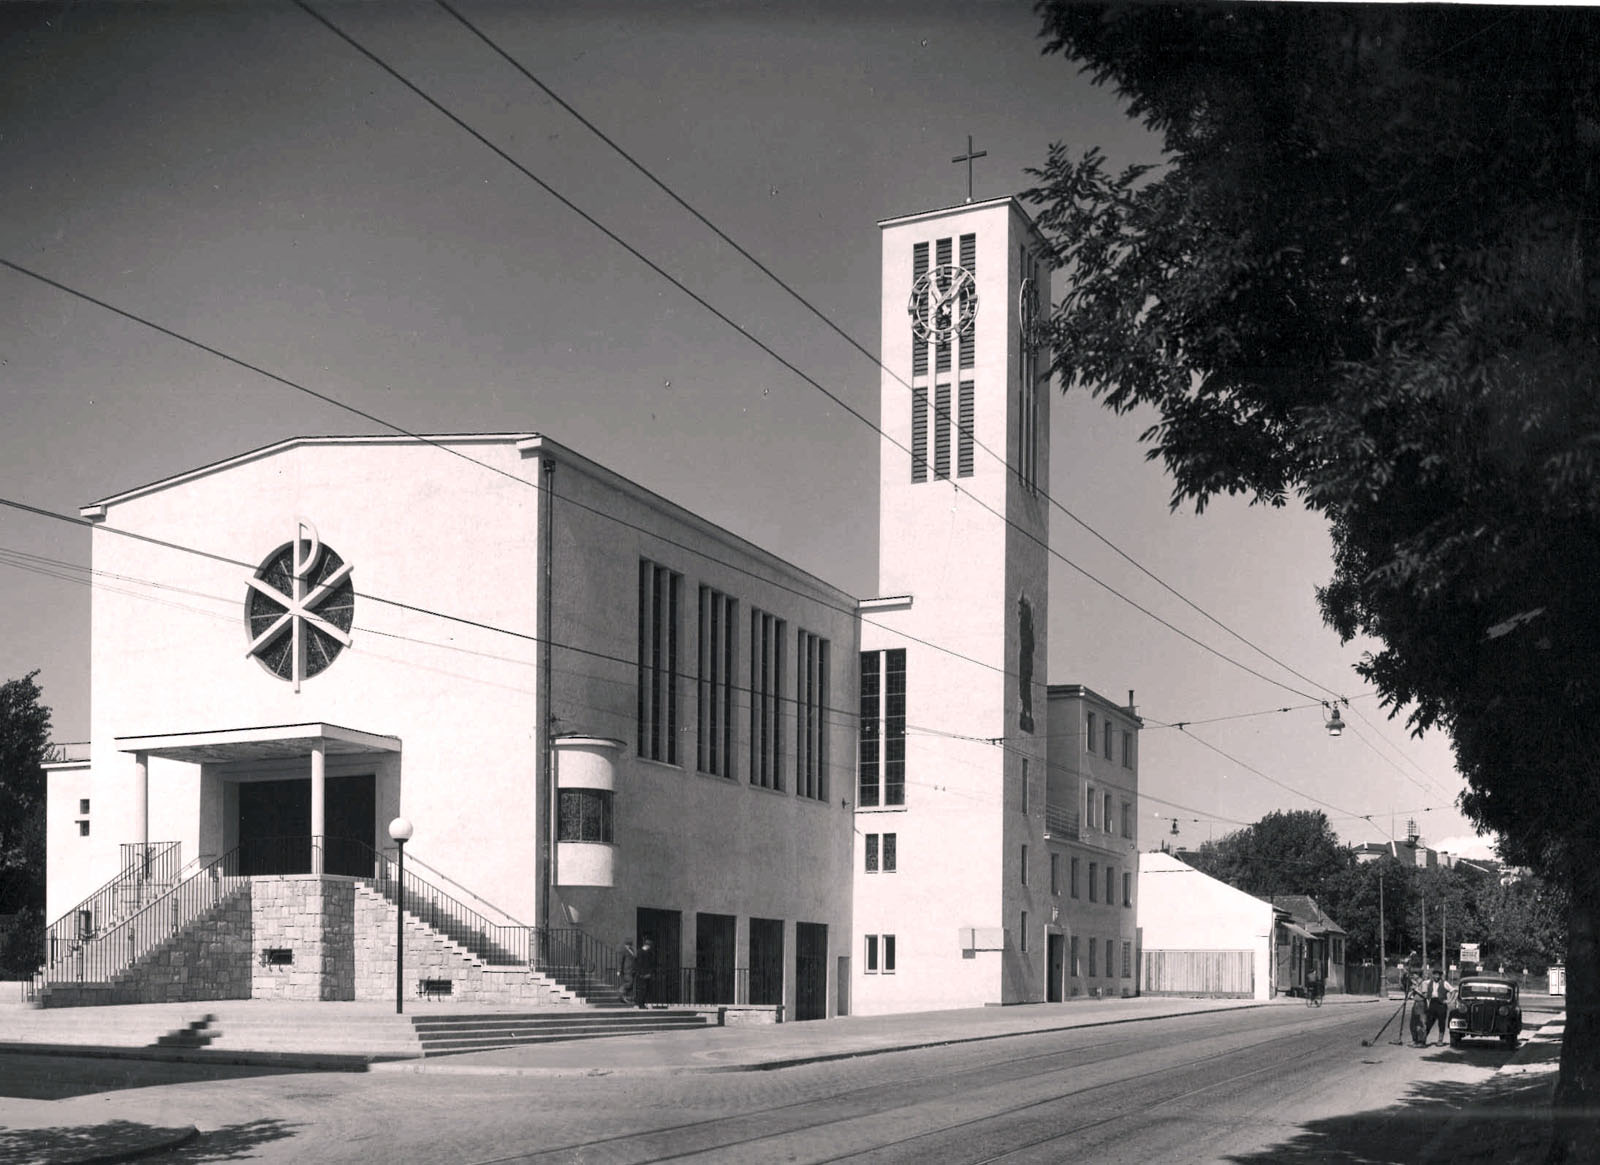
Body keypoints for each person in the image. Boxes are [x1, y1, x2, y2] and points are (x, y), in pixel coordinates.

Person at [1419, 967, 1452, 1046]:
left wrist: (1449, 1000)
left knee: (1441, 1023)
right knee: (1429, 1022)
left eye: (1439, 975)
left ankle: (1440, 1040)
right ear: (1433, 975)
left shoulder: (1445, 983)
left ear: (1441, 976)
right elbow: (1424, 989)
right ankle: (1423, 1040)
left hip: (1441, 1004)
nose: (1437, 977)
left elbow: (1453, 990)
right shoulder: (1428, 982)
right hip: (1432, 1003)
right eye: (1435, 975)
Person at [634, 936, 656, 1009]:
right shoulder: (643, 953)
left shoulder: (640, 952)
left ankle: (641, 1003)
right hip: (643, 974)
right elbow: (640, 964)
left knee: (644, 989)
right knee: (643, 989)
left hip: (643, 974)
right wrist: (642, 974)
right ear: (648, 946)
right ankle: (641, 1004)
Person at [618, 938, 638, 1006]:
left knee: (631, 984)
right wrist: (619, 970)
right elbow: (621, 961)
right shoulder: (624, 951)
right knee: (629, 982)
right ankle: (621, 991)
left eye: (630, 945)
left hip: (632, 970)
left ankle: (624, 997)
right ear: (626, 945)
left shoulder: (631, 950)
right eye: (628, 945)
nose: (629, 946)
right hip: (627, 970)